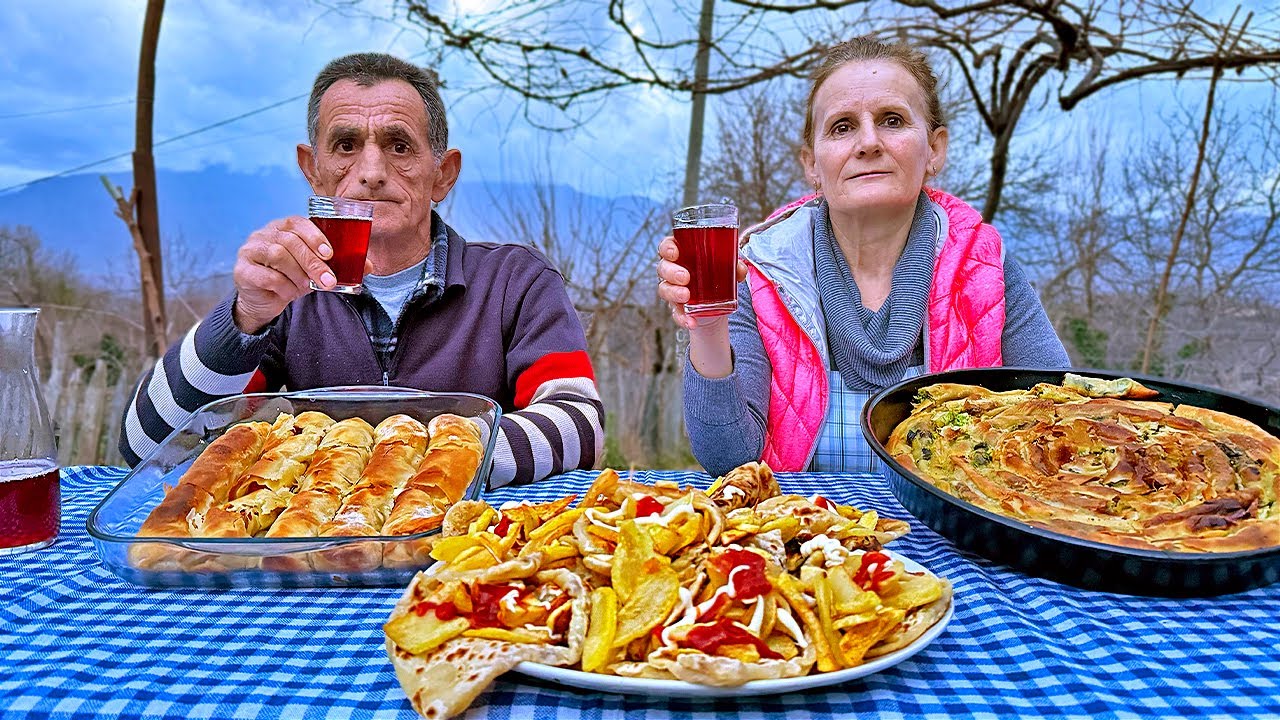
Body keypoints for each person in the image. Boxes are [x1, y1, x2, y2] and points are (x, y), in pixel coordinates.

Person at [119, 52, 604, 487]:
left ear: (443, 175)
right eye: (346, 145)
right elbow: (146, 446)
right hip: (316, 546)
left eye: (399, 146)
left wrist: (410, 455)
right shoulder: (288, 293)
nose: (371, 172)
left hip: (473, 544)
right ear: (313, 170)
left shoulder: (514, 280)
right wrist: (243, 319)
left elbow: (581, 427)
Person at [657, 36, 1070, 478]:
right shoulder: (758, 273)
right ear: (812, 164)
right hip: (804, 523)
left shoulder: (985, 268)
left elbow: (1060, 418)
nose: (868, 142)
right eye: (842, 127)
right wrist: (708, 324)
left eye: (892, 120)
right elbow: (728, 458)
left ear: (934, 149)